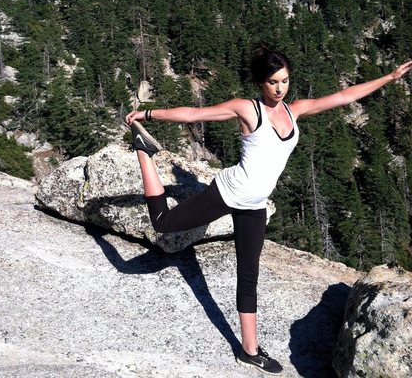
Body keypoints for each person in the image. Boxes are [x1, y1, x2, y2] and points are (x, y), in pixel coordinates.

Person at [125, 45, 412, 374]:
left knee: (249, 277)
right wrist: (147, 115)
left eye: (285, 81)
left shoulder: (294, 110)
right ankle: (144, 153)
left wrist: (389, 78)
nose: (280, 88)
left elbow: (344, 97)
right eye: (274, 82)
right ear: (261, 83)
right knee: (162, 223)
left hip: (255, 205)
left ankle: (250, 350)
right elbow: (193, 114)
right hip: (229, 193)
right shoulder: (248, 109)